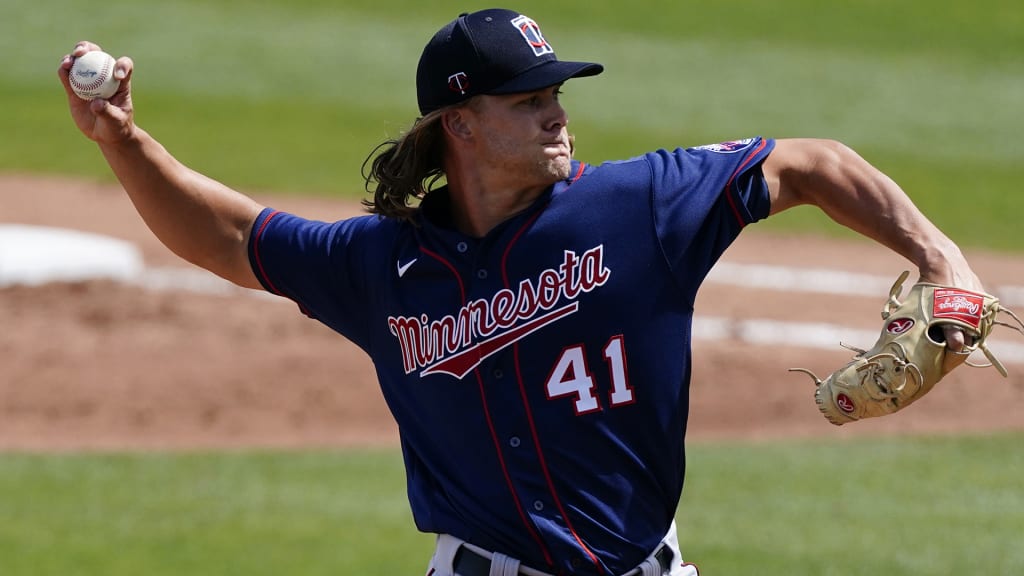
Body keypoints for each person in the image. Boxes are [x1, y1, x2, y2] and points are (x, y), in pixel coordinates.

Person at [58, 8, 984, 576]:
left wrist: (939, 258)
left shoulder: (640, 206)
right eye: (529, 100)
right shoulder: (383, 265)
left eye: (557, 93)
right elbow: (230, 236)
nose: (558, 114)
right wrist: (122, 143)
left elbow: (810, 163)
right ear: (460, 125)